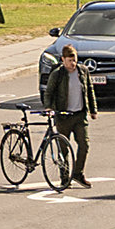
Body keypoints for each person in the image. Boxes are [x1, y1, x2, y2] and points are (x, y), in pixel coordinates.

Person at [42, 40, 93, 188]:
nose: (73, 64)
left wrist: (93, 110)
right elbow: (49, 93)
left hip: (79, 115)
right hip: (63, 116)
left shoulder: (82, 71)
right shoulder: (57, 74)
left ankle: (78, 173)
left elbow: (89, 91)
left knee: (84, 144)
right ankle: (64, 177)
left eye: (74, 60)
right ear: (63, 60)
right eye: (70, 61)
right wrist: (49, 108)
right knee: (63, 149)